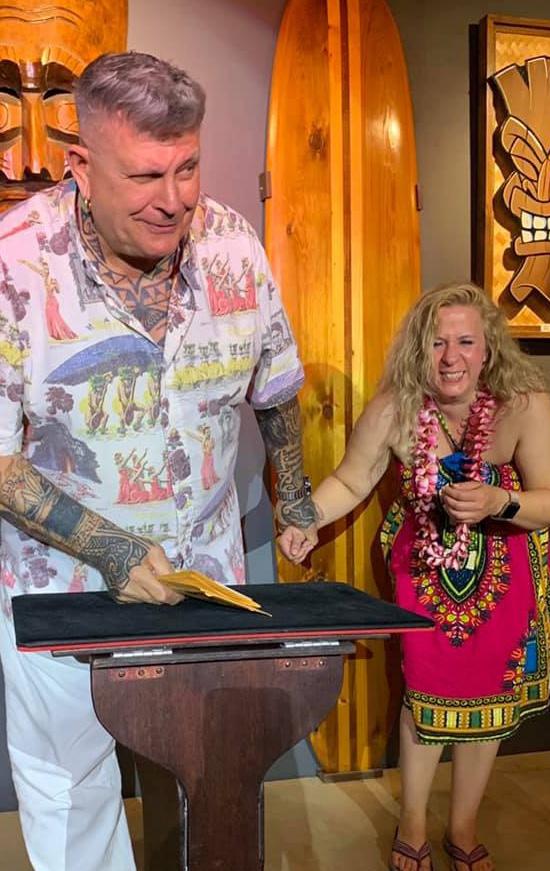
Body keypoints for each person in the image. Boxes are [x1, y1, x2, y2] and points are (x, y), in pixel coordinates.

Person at [0, 52, 316, 871]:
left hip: (203, 579)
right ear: (81, 164)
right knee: (72, 797)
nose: (173, 199)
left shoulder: (232, 244)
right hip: (59, 591)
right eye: (144, 175)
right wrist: (112, 549)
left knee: (208, 781)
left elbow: (275, 383)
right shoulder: (11, 264)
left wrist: (294, 497)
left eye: (187, 168)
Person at [279, 283, 550, 871]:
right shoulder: (396, 408)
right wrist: (306, 519)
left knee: (493, 695)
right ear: (419, 348)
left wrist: (498, 500)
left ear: (488, 348)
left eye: (465, 342)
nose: (451, 357)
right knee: (424, 693)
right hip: (425, 568)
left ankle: (463, 826)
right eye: (438, 342)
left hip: (507, 570)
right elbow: (353, 480)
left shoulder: (525, 404)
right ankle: (412, 821)